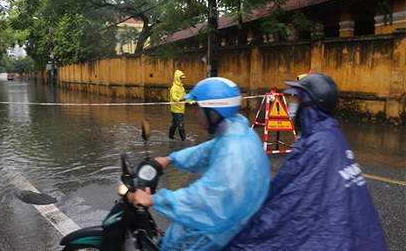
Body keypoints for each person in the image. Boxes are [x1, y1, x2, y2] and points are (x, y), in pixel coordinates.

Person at [225, 74, 387, 251]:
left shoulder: (315, 144)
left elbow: (286, 198)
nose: (294, 105)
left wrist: (244, 235)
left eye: (299, 99)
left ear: (310, 105)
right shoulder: (331, 134)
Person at [134, 77, 270, 251]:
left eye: (200, 109)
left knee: (174, 244)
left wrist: (154, 199)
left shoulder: (234, 153)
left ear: (213, 113)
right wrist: (170, 159)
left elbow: (201, 199)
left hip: (225, 229)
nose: (196, 114)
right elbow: (206, 151)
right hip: (238, 217)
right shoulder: (237, 133)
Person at [169, 70, 188, 141]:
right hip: (176, 110)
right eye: (181, 78)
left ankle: (170, 136)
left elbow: (185, 97)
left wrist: (191, 101)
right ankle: (183, 139)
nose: (183, 80)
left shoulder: (182, 88)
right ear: (177, 78)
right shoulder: (174, 88)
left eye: (183, 78)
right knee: (180, 124)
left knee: (174, 123)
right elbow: (174, 98)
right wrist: (180, 99)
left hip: (181, 109)